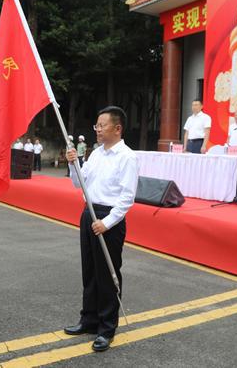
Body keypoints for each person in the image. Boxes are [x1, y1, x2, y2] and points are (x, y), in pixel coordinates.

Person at [64, 106, 139, 353]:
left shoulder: (127, 157)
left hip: (108, 219)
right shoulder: (96, 154)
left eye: (101, 125)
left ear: (117, 128)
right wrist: (74, 164)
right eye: (96, 125)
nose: (97, 129)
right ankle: (89, 320)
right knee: (90, 271)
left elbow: (127, 198)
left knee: (108, 273)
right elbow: (80, 183)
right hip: (89, 213)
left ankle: (106, 328)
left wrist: (106, 223)